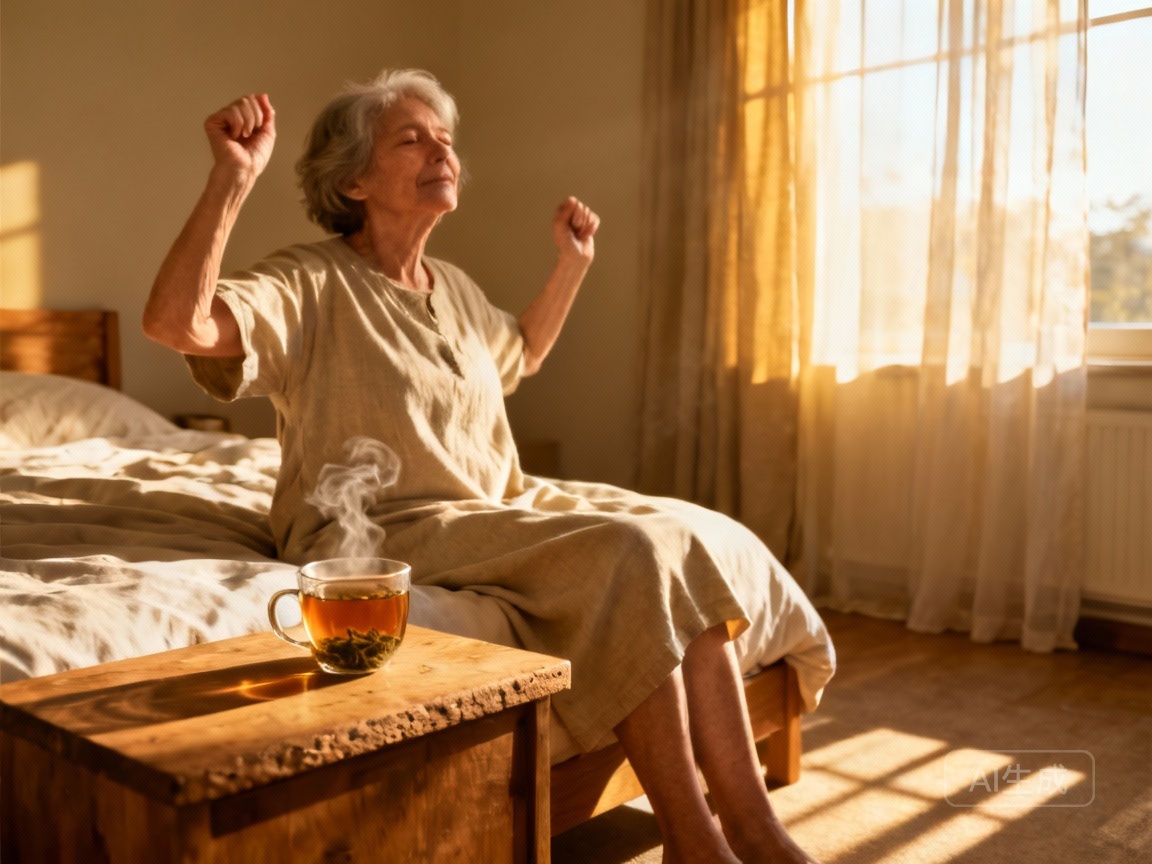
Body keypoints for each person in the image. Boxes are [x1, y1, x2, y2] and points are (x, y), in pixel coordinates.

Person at [143, 69, 821, 864]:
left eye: (447, 139)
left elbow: (521, 353)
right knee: (630, 552)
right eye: (413, 138)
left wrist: (570, 264)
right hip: (381, 534)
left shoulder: (453, 287)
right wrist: (232, 178)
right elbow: (176, 322)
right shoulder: (310, 280)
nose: (444, 151)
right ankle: (695, 839)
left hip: (495, 510)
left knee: (678, 536)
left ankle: (753, 828)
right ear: (355, 179)